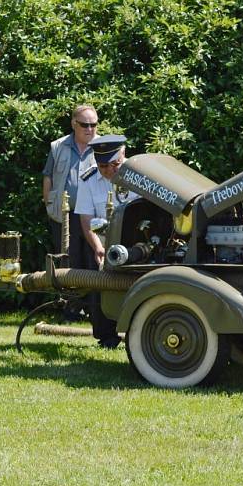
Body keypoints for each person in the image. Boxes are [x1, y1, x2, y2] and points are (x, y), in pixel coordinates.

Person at [75, 134, 137, 348]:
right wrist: (98, 247)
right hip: (101, 239)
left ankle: (137, 333)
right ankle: (106, 336)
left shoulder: (140, 174)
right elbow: (85, 218)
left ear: (123, 155)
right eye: (103, 166)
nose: (110, 171)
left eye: (115, 165)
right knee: (98, 284)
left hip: (135, 240)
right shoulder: (88, 179)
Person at [42, 104, 99, 321]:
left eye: (93, 124)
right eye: (85, 124)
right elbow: (48, 175)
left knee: (93, 260)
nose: (90, 129)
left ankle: (95, 312)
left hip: (93, 216)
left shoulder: (103, 146)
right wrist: (48, 202)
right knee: (69, 261)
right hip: (64, 215)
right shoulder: (58, 146)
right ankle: (71, 311)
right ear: (74, 124)